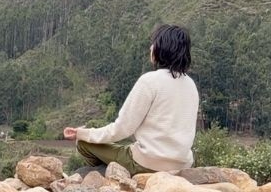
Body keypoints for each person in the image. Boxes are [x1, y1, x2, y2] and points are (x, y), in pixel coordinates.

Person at [63, 24, 198, 174]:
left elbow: (122, 129)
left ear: (161, 49)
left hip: (147, 163)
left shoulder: (149, 81)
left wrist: (82, 134)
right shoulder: (190, 84)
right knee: (125, 149)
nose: (151, 48)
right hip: (181, 164)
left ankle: (108, 174)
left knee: (83, 144)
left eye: (153, 44)